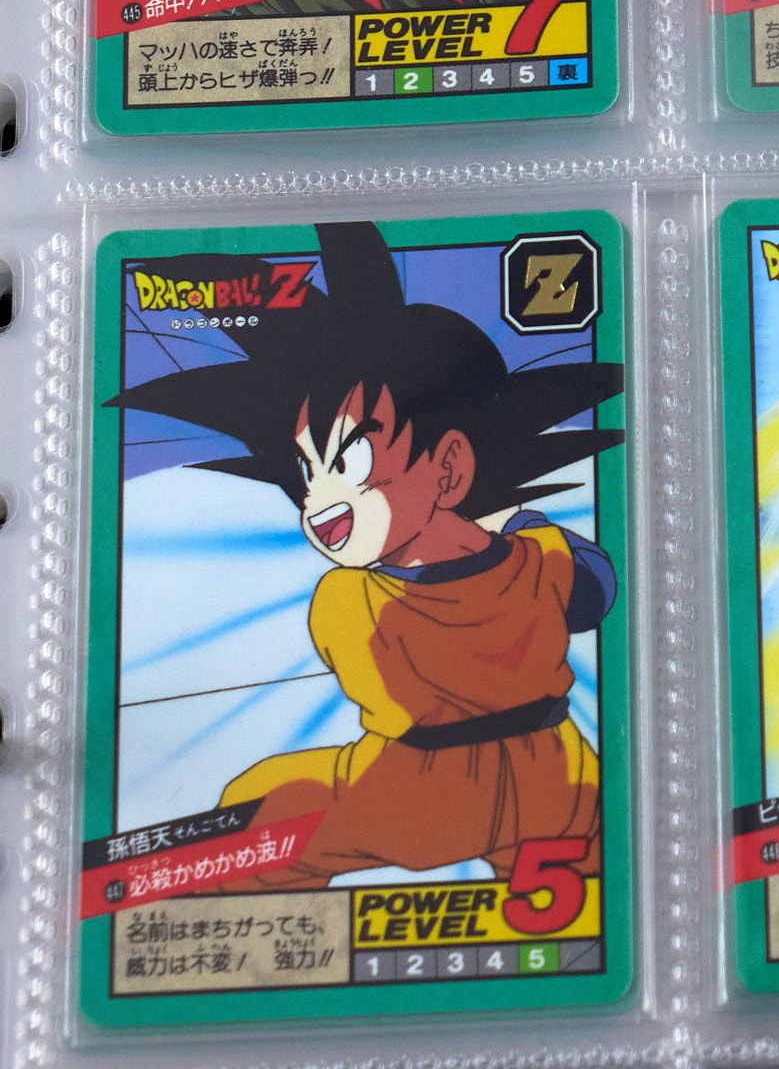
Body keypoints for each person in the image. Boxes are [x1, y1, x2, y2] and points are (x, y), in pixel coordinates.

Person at [109, 221, 624, 887]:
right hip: (559, 779)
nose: (319, 501)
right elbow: (593, 590)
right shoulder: (541, 558)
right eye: (310, 471)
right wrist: (520, 527)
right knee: (594, 850)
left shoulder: (349, 598)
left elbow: (353, 658)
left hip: (413, 797)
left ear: (449, 467)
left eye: (349, 462)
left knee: (257, 810)